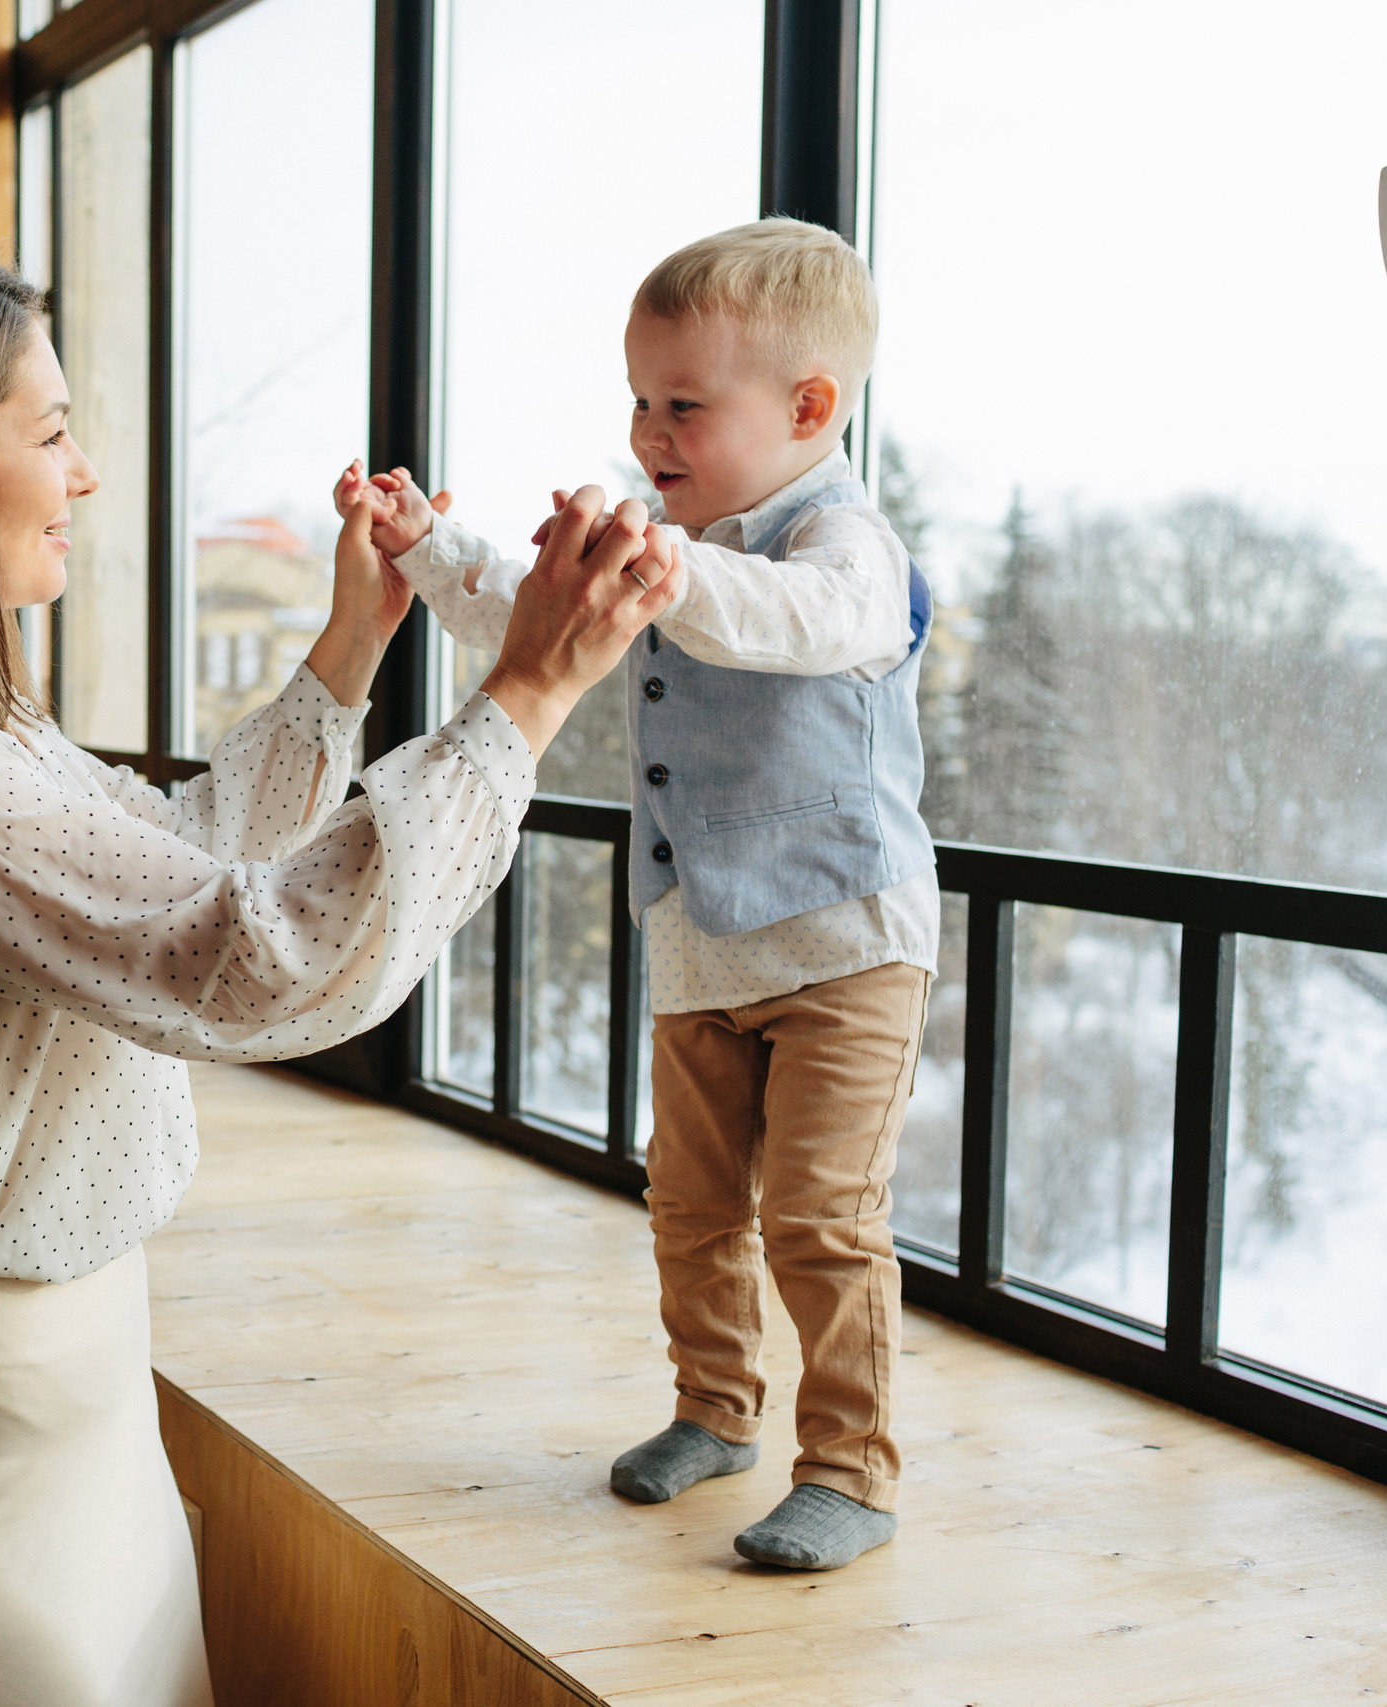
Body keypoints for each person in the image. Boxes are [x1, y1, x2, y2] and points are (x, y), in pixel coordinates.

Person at [0, 234, 681, 1705]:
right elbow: (261, 962)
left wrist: (351, 651)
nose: (83, 474)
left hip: (75, 1428)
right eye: (52, 431)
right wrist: (524, 694)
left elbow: (183, 865)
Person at [333, 217, 933, 1572]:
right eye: (640, 400)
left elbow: (792, 622)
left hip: (844, 939)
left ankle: (854, 1469)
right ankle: (715, 1412)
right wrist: (431, 547)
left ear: (809, 408)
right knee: (692, 1205)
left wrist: (666, 567)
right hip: (700, 941)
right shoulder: (670, 539)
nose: (650, 430)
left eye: (684, 405)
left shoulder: (845, 545)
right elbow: (521, 613)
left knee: (825, 1219)